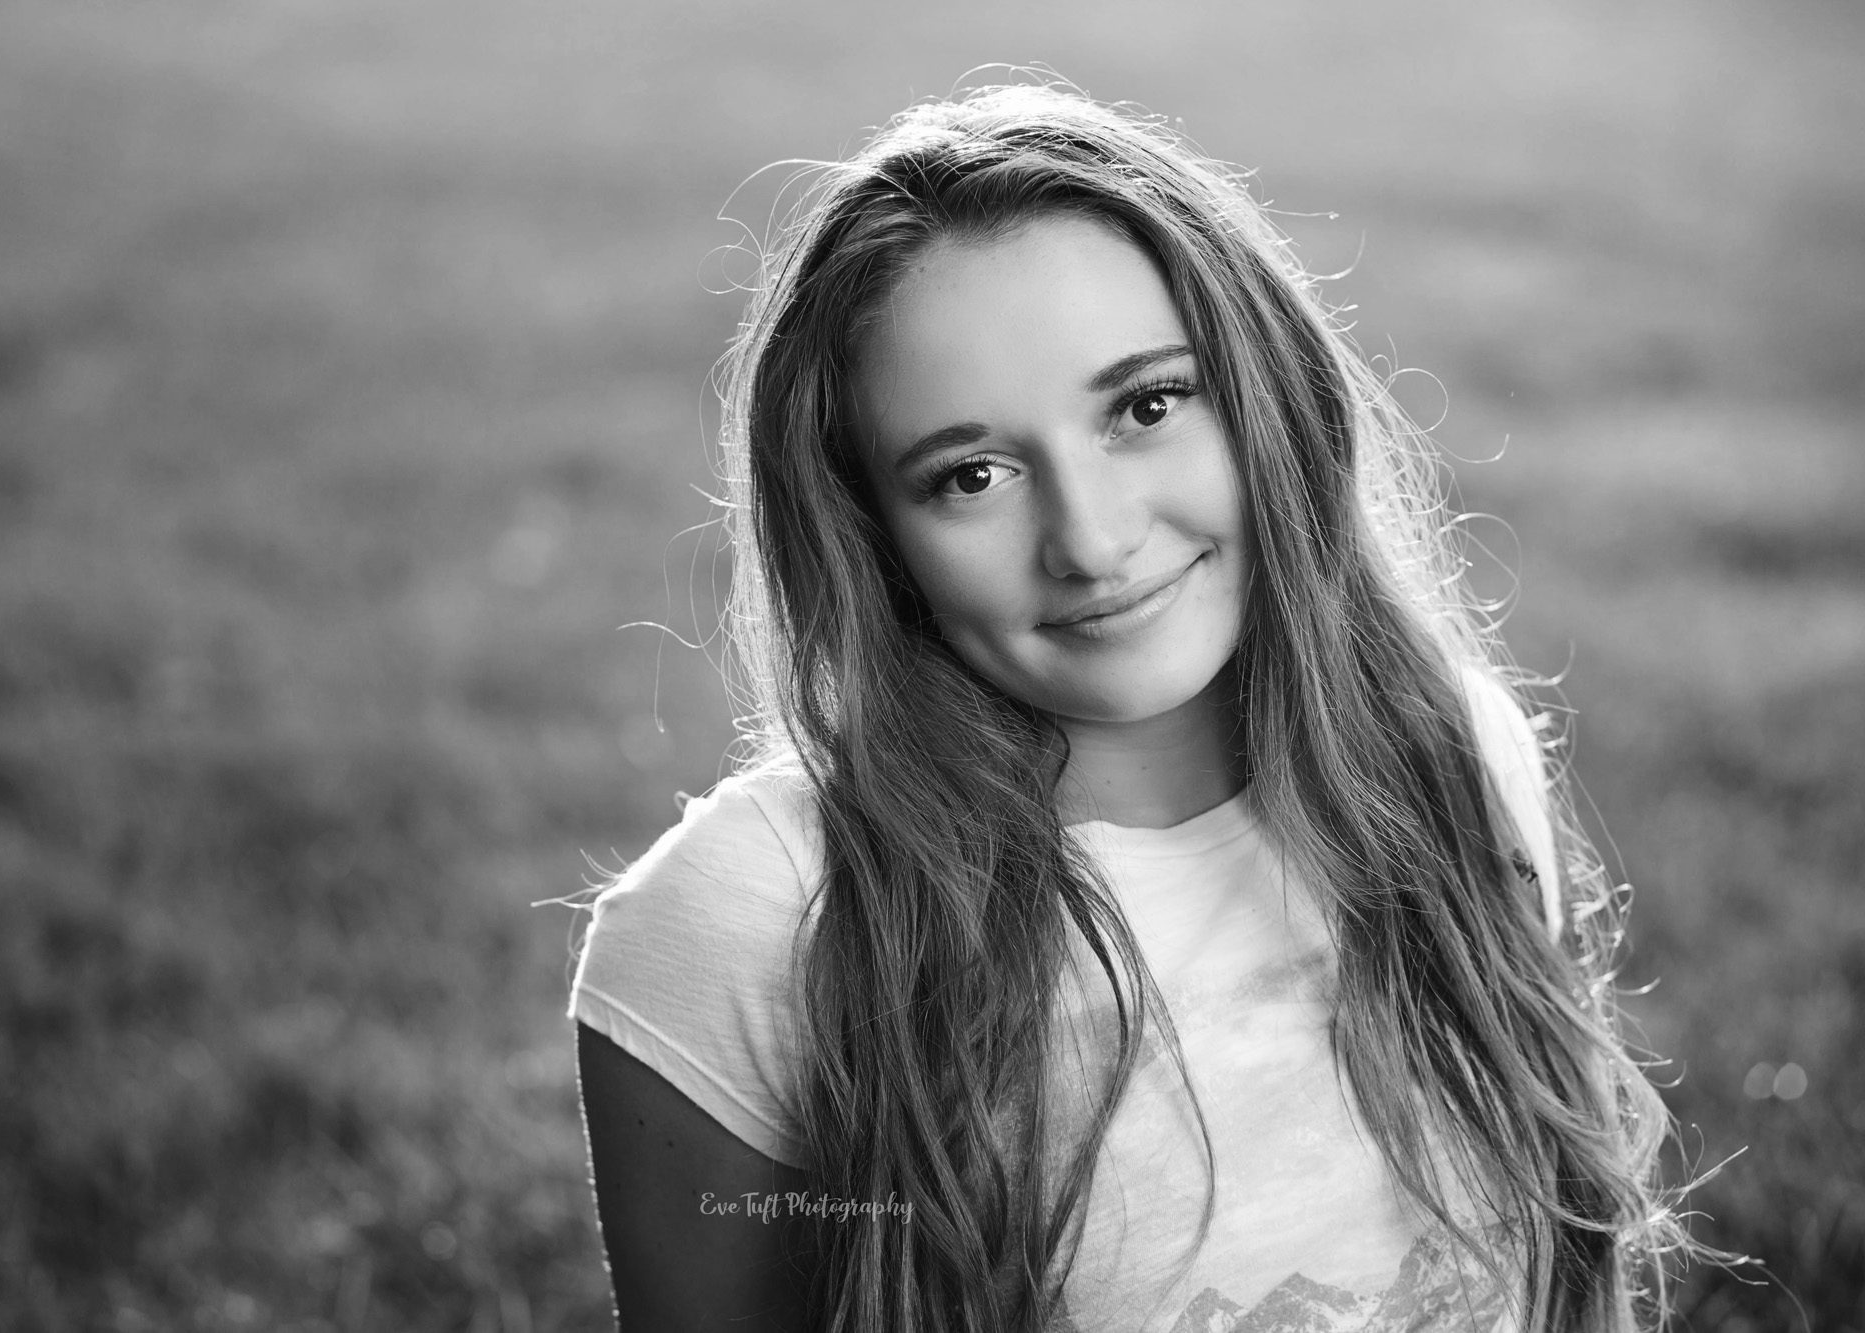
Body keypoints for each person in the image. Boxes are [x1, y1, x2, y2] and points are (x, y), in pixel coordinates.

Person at [566, 78, 1685, 1333]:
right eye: (970, 474)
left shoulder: (1445, 754)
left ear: (1266, 397)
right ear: (869, 531)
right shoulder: (752, 917)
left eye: (1146, 406)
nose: (1091, 543)